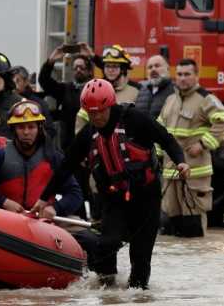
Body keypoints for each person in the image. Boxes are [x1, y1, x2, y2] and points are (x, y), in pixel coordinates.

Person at [33, 79, 189, 289]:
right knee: (106, 244)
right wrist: (44, 198)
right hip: (114, 199)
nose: (96, 117)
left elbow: (166, 139)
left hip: (146, 198)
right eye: (91, 113)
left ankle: (138, 296)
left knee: (140, 258)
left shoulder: (135, 119)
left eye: (100, 112)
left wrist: (180, 161)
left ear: (110, 106)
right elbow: (66, 166)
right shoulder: (89, 133)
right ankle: (107, 292)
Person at [0, 99, 98, 267]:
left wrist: (55, 208)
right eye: (21, 127)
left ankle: (99, 279)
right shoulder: (0, 155)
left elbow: (75, 194)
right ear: (14, 130)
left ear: (39, 128)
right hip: (6, 219)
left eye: (31, 127)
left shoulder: (54, 157)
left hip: (46, 220)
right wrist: (4, 203)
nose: (26, 132)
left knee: (92, 241)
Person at [158, 58, 224, 236]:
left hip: (195, 173)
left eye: (187, 74)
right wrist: (157, 155)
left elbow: (223, 121)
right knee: (170, 225)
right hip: (170, 172)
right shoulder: (170, 100)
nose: (182, 78)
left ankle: (195, 261)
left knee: (192, 227)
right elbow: (160, 130)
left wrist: (203, 144)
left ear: (196, 76)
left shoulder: (205, 99)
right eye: (180, 74)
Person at [39, 43, 97, 219]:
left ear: (89, 71)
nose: (78, 70)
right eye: (75, 67)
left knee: (94, 193)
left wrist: (93, 57)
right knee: (74, 191)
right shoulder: (66, 90)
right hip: (70, 152)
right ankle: (79, 222)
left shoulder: (96, 89)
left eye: (82, 67)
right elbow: (45, 82)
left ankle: (96, 223)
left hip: (92, 152)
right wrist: (51, 61)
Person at [75, 44, 140, 134]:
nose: (110, 70)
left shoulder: (136, 91)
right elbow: (82, 119)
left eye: (114, 66)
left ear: (122, 69)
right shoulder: (94, 89)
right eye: (107, 66)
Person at [134, 54, 175, 120]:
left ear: (168, 69)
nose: (153, 69)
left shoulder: (175, 91)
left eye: (157, 66)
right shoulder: (140, 89)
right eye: (150, 67)